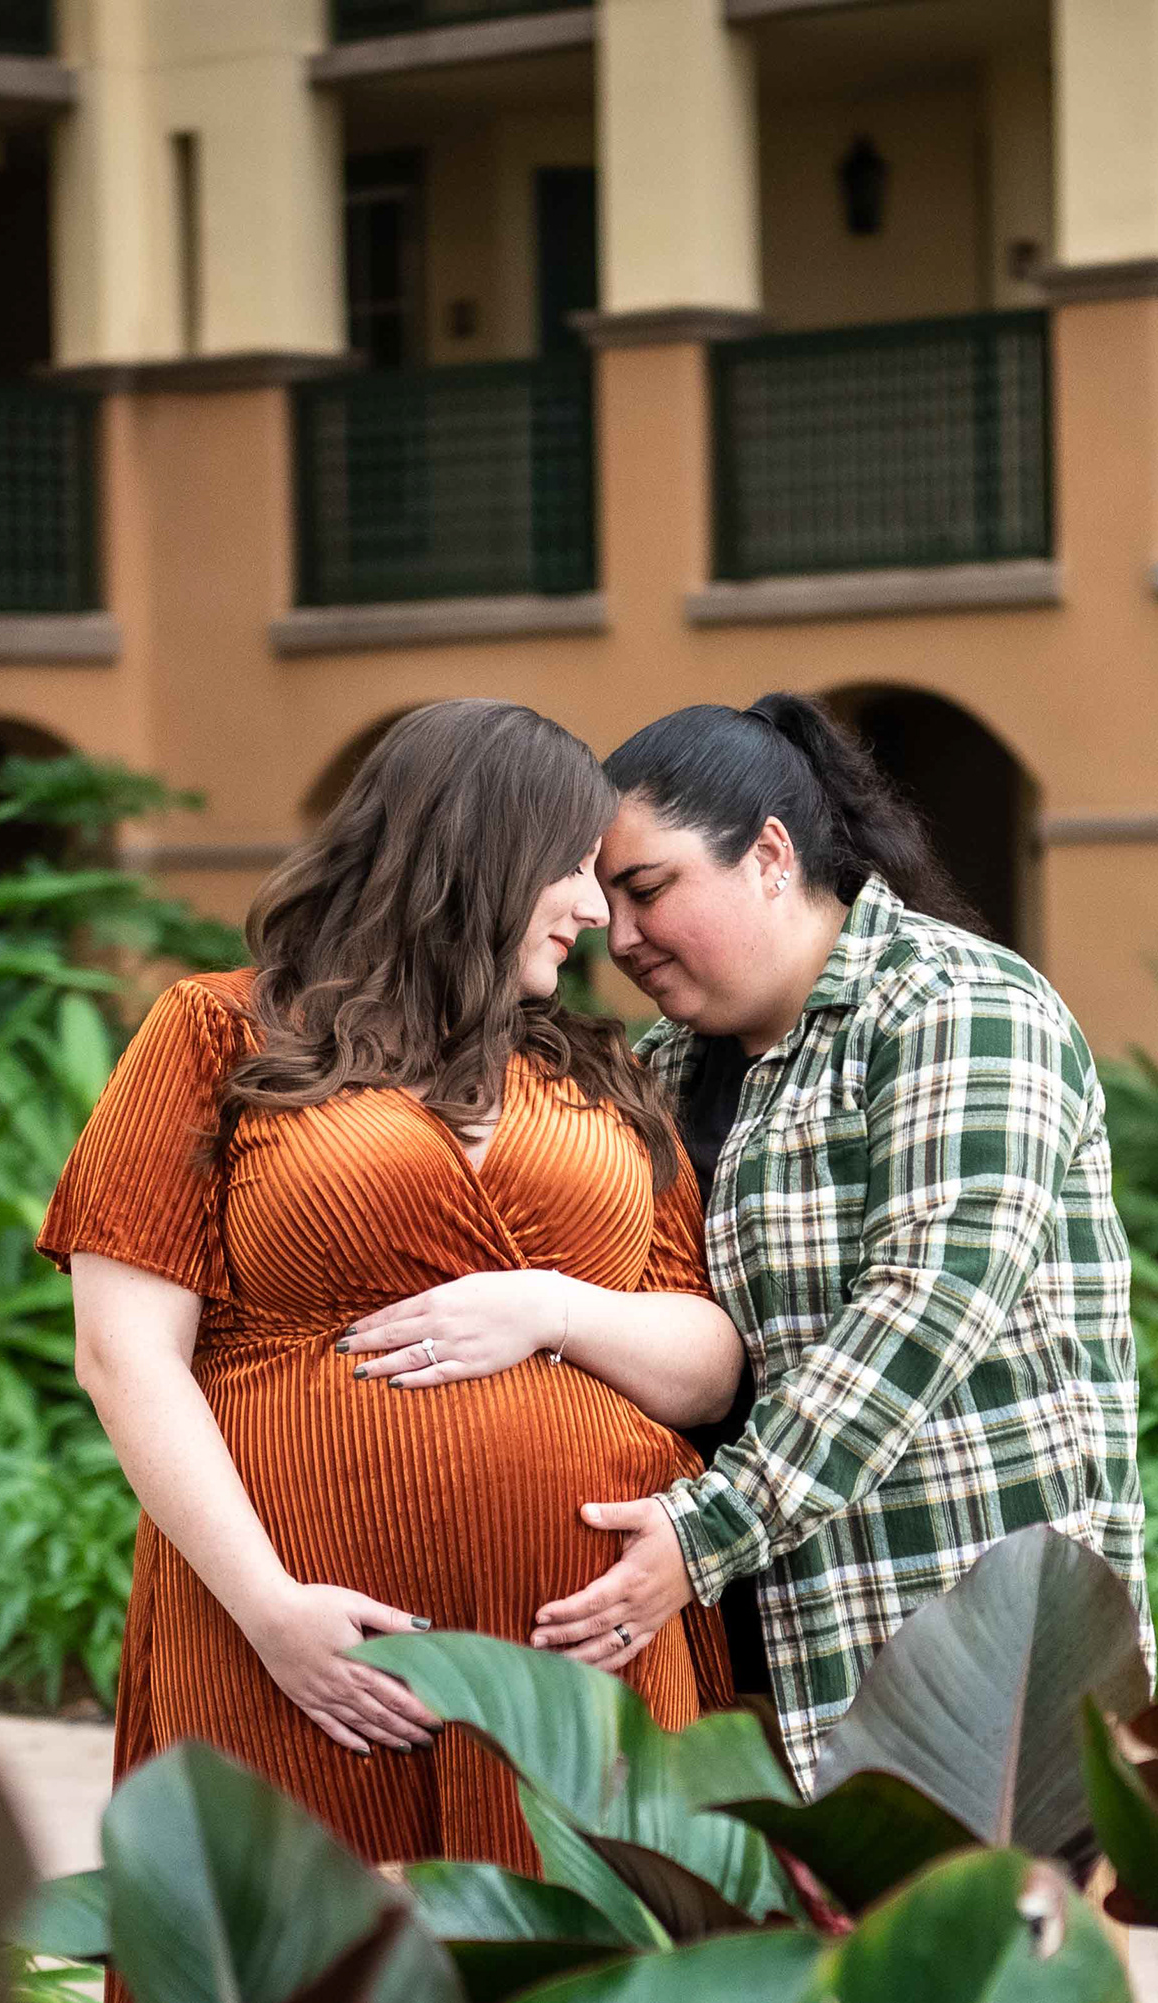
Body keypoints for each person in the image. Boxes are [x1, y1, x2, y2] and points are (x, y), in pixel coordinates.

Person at [40, 699, 744, 1867]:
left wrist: (553, 1309)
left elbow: (708, 1363)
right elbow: (123, 1353)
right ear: (479, 850)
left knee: (580, 1966)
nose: (597, 913)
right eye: (574, 868)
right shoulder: (218, 1031)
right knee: (312, 1955)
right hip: (301, 1644)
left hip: (580, 1653)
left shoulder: (606, 1074)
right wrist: (271, 1610)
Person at [529, 692, 1146, 1787]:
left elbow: (925, 1307)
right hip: (741, 1651)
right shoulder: (666, 1064)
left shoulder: (959, 1005)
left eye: (648, 889)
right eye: (605, 901)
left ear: (770, 855)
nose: (618, 937)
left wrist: (707, 1530)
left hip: (968, 1665)